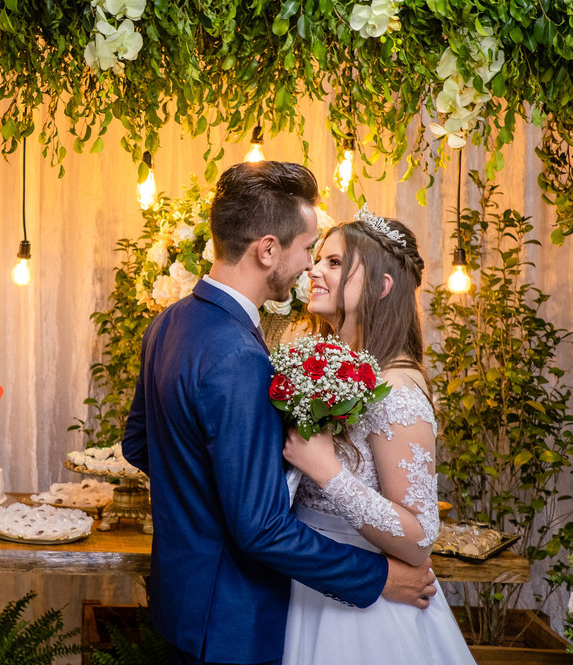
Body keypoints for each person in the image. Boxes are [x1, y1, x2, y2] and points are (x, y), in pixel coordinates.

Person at [121, 162, 436, 665]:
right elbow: (259, 527)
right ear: (267, 249)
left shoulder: (169, 322)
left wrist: (214, 497)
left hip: (189, 604)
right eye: (310, 249)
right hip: (232, 617)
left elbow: (139, 444)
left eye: (329, 259)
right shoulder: (239, 357)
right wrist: (380, 578)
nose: (311, 266)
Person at [281, 208, 474, 664]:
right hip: (310, 582)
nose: (315, 271)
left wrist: (328, 472)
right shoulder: (328, 368)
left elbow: (420, 535)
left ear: (381, 287)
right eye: (318, 259)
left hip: (364, 615)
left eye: (334, 263)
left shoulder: (399, 390)